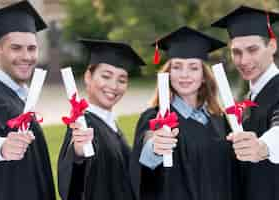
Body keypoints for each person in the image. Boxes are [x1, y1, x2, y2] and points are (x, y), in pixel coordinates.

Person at [130, 26, 239, 200]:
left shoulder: (219, 120)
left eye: (193, 68)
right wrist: (156, 148)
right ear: (168, 73)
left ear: (204, 76)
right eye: (177, 67)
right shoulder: (155, 118)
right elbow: (145, 159)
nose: (184, 75)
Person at [0, 1, 55, 200]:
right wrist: (1, 147)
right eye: (16, 48)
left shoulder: (22, 97)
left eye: (32, 48)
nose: (26, 56)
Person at [57, 39, 145, 200]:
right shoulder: (82, 126)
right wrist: (78, 155)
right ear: (88, 77)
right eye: (106, 76)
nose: (114, 86)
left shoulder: (111, 125)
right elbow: (71, 190)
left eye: (122, 80)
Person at [211, 5, 279, 200]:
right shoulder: (249, 99)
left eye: (252, 49)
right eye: (236, 52)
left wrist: (263, 147)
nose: (243, 60)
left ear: (272, 46)